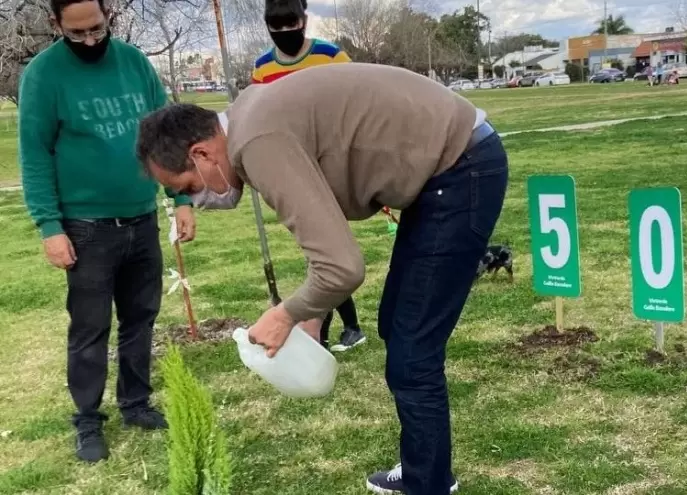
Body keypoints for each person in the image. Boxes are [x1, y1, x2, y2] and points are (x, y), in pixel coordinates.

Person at [136, 62, 508, 495]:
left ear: (201, 153)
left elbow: (343, 267)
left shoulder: (258, 143)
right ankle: (423, 469)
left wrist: (285, 315)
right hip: (449, 166)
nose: (197, 200)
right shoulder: (249, 121)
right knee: (396, 323)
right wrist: (311, 315)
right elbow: (325, 245)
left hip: (459, 168)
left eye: (188, 186)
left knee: (412, 350)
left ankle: (429, 484)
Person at [17, 0, 196, 463]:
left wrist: (180, 200)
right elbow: (34, 154)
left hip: (141, 217)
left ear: (109, 14)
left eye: (96, 29)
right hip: (85, 228)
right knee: (90, 328)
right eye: (76, 34)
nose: (90, 41)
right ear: (57, 25)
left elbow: (167, 134)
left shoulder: (134, 63)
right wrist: (49, 226)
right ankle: (88, 420)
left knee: (141, 319)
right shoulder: (43, 75)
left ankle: (135, 403)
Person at [250, 0, 365, 352]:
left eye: (291, 25)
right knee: (321, 255)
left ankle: (335, 329)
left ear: (304, 20)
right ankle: (342, 329)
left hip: (327, 167)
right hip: (293, 168)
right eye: (276, 28)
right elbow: (257, 113)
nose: (285, 33)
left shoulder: (330, 56)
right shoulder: (262, 67)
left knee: (325, 255)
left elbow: (354, 101)